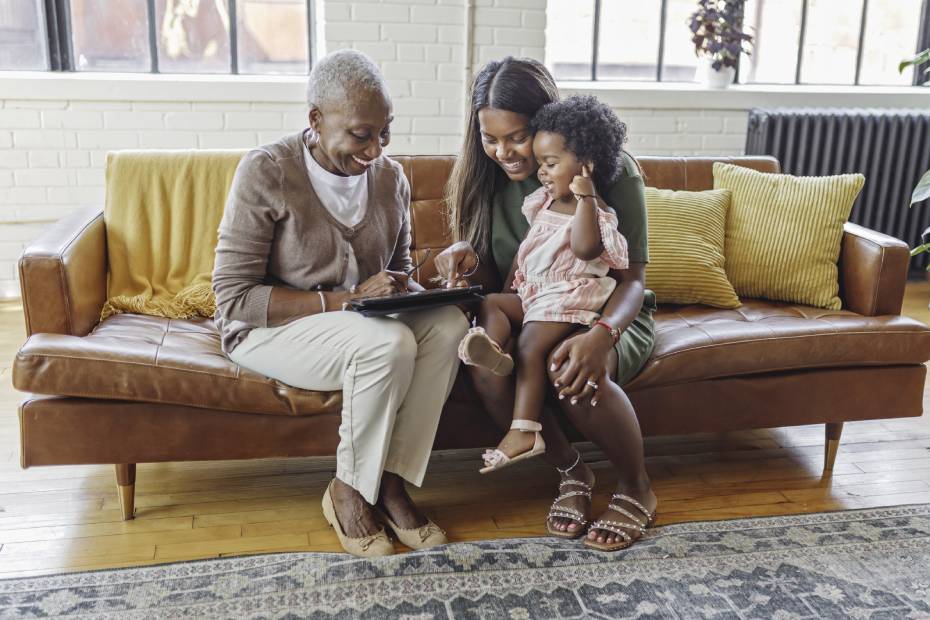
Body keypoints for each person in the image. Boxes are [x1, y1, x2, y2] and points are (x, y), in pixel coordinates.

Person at [212, 49, 469, 558]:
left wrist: (433, 281)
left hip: (362, 325)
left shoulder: (391, 179)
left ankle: (392, 483)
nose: (376, 149)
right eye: (360, 134)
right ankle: (348, 490)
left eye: (385, 133)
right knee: (387, 343)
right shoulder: (266, 171)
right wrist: (348, 299)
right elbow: (235, 298)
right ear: (315, 120)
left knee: (448, 324)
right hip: (267, 331)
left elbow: (396, 277)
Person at [435, 57, 658, 552]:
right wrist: (467, 259)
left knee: (569, 367)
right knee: (486, 364)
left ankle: (635, 486)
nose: (503, 152)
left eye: (514, 137)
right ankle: (570, 471)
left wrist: (602, 336)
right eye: (489, 139)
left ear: (544, 123)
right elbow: (507, 279)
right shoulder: (485, 178)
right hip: (534, 304)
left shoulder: (607, 171)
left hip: (604, 307)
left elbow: (632, 280)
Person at [458, 96, 630, 478]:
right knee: (493, 305)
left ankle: (524, 431)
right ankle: (493, 351)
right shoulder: (545, 201)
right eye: (543, 164)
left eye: (550, 165)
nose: (542, 172)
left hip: (569, 297)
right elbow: (528, 250)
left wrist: (585, 194)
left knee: (532, 345)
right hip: (537, 294)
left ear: (585, 165)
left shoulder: (595, 211)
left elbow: (586, 248)